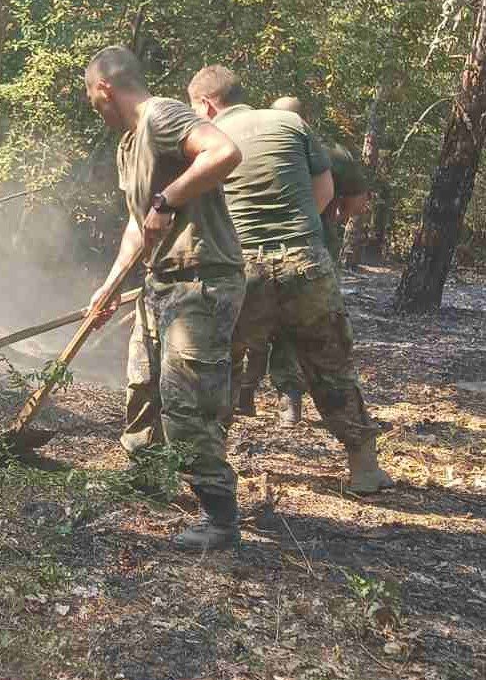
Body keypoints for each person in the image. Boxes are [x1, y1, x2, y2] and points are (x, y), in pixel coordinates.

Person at [186, 65, 392, 496]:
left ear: (207, 104)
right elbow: (324, 195)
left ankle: (210, 473)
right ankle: (364, 469)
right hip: (306, 263)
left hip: (243, 271)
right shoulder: (290, 122)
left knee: (220, 363)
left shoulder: (208, 140)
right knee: (331, 364)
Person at [84, 47, 247, 552]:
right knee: (143, 386)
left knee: (185, 402)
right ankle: (146, 476)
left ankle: (220, 517)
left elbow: (224, 153)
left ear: (105, 89)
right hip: (159, 283)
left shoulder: (161, 114)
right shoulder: (128, 145)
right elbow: (139, 225)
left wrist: (166, 199)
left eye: (92, 97)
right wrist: (111, 284)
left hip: (200, 280)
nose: (93, 107)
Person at [236, 96, 371, 426]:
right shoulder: (330, 152)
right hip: (308, 252)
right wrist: (330, 217)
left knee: (244, 326)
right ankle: (289, 403)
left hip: (248, 251)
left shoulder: (244, 144)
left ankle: (243, 395)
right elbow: (357, 201)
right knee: (295, 327)